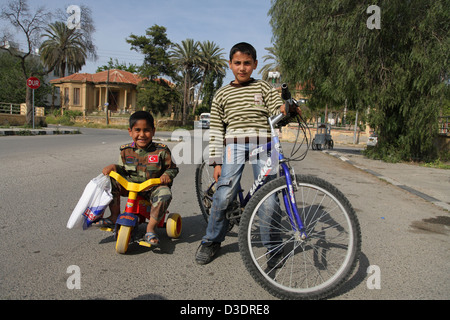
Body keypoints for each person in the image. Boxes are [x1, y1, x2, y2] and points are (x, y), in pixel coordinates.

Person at [195, 42, 300, 265]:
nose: (242, 68)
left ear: (254, 65)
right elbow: (216, 129)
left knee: (269, 199)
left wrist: (286, 108)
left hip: (264, 143)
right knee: (224, 194)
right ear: (230, 65)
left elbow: (277, 108)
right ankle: (211, 240)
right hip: (234, 144)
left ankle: (273, 247)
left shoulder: (263, 88)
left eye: (247, 63)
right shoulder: (222, 94)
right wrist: (216, 162)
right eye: (237, 63)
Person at [99, 111, 178, 246]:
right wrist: (114, 167)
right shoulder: (125, 150)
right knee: (110, 181)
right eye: (137, 130)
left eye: (146, 130)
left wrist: (166, 175)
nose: (142, 135)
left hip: (152, 189)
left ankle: (150, 229)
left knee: (165, 193)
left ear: (153, 131)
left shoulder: (161, 151)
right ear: (130, 132)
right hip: (131, 187)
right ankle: (114, 216)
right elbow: (122, 169)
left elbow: (172, 168)